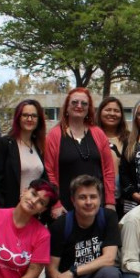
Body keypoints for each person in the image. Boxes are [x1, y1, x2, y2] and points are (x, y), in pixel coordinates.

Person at [45, 175, 126, 278]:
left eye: (93, 197)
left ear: (100, 199)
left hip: (84, 276)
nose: (89, 202)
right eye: (82, 197)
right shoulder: (60, 226)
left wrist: (73, 271)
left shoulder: (108, 217)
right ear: (73, 201)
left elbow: (109, 258)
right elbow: (50, 270)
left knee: (111, 274)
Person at [45, 87, 116, 216]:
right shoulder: (54, 135)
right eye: (74, 102)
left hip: (95, 205)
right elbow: (49, 172)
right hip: (65, 207)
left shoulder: (98, 133)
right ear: (66, 107)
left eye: (84, 104)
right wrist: (56, 203)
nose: (79, 106)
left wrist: (110, 202)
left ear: (89, 109)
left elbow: (108, 170)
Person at [0, 99, 47, 209]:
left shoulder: (39, 147)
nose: (29, 119)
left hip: (32, 210)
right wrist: (1, 210)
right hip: (10, 209)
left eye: (34, 116)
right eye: (25, 115)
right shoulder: (5, 144)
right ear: (18, 118)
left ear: (39, 120)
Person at [95, 96, 129, 210]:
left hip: (125, 197)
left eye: (116, 111)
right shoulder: (91, 137)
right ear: (100, 112)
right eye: (108, 110)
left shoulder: (129, 138)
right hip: (97, 195)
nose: (112, 113)